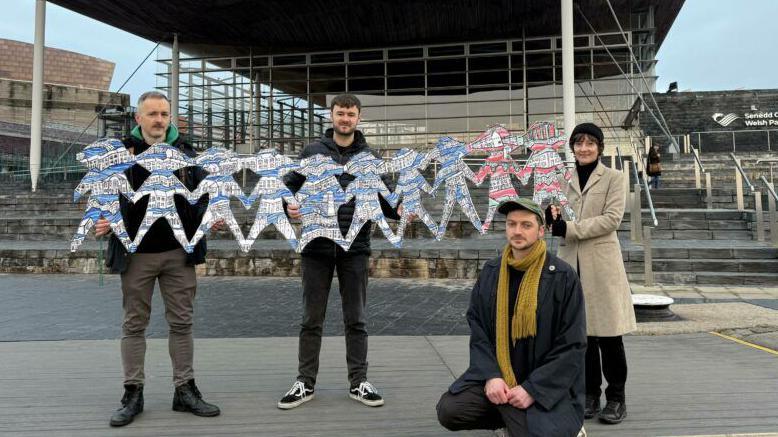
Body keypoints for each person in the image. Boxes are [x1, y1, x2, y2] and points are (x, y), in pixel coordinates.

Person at [94, 91, 221, 427]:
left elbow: (207, 196)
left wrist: (211, 217)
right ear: (139, 119)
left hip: (179, 253)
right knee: (134, 325)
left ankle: (185, 390)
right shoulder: (120, 154)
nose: (159, 120)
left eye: (164, 114)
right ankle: (132, 393)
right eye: (152, 114)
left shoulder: (186, 153)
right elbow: (102, 196)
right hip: (135, 255)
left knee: (182, 323)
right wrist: (101, 218)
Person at [278, 94, 402, 409]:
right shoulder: (312, 151)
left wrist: (403, 206)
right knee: (311, 319)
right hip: (316, 246)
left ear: (358, 118)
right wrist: (288, 206)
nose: (345, 119)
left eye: (350, 114)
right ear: (332, 115)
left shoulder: (371, 156)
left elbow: (388, 202)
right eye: (340, 113)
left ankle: (358, 382)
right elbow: (287, 188)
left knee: (356, 319)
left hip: (355, 248)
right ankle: (305, 383)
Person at [436, 198, 587, 437]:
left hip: (545, 383)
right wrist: (492, 376)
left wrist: (532, 389)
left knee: (536, 431)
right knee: (450, 409)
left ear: (541, 230)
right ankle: (514, 416)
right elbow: (479, 329)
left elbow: (572, 344)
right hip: (503, 376)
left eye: (526, 225)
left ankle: (559, 425)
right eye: (511, 224)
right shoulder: (492, 272)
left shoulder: (562, 276)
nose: (517, 231)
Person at [547, 122, 636, 425]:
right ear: (571, 147)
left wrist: (568, 228)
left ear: (600, 147)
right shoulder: (562, 179)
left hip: (602, 265)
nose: (583, 148)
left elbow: (611, 220)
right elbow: (556, 216)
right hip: (571, 265)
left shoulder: (614, 178)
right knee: (581, 337)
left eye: (590, 143)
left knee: (609, 336)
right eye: (578, 143)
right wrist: (551, 217)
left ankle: (617, 398)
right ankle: (589, 395)